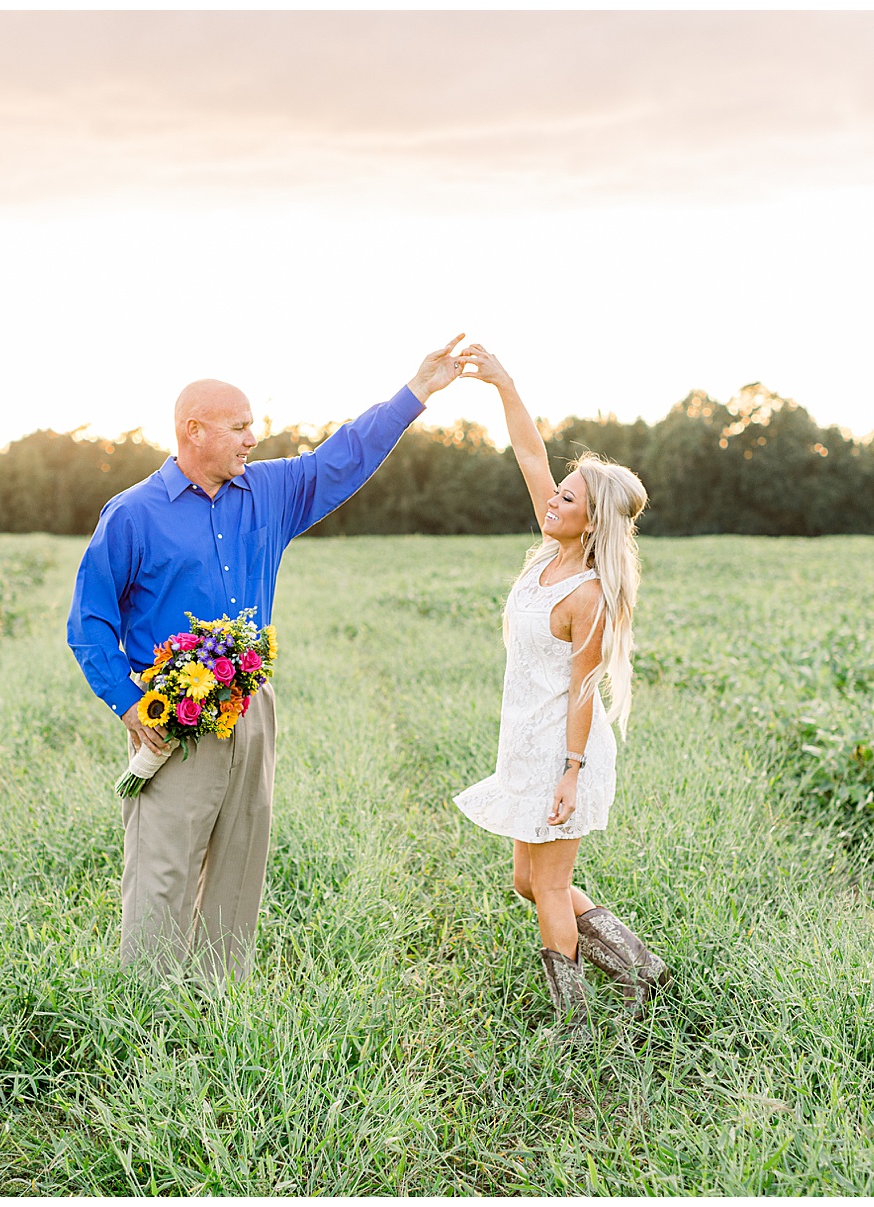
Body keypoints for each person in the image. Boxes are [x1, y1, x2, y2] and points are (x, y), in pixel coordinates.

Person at [68, 336, 472, 981]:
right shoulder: (132, 514)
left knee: (240, 860)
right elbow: (89, 623)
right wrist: (128, 703)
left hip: (253, 706)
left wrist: (417, 390)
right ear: (192, 431)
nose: (252, 438)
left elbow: (345, 455)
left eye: (253, 425)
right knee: (162, 868)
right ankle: (146, 1013)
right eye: (239, 427)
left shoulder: (270, 492)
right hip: (172, 715)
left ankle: (217, 1006)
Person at [453, 343, 669, 1042]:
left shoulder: (589, 595)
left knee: (547, 885)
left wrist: (571, 774)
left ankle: (573, 1025)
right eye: (558, 490)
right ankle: (639, 964)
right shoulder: (548, 551)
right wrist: (505, 384)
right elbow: (527, 452)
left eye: (568, 496)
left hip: (563, 752)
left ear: (591, 519)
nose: (553, 497)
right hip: (525, 740)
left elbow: (583, 691)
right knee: (527, 879)